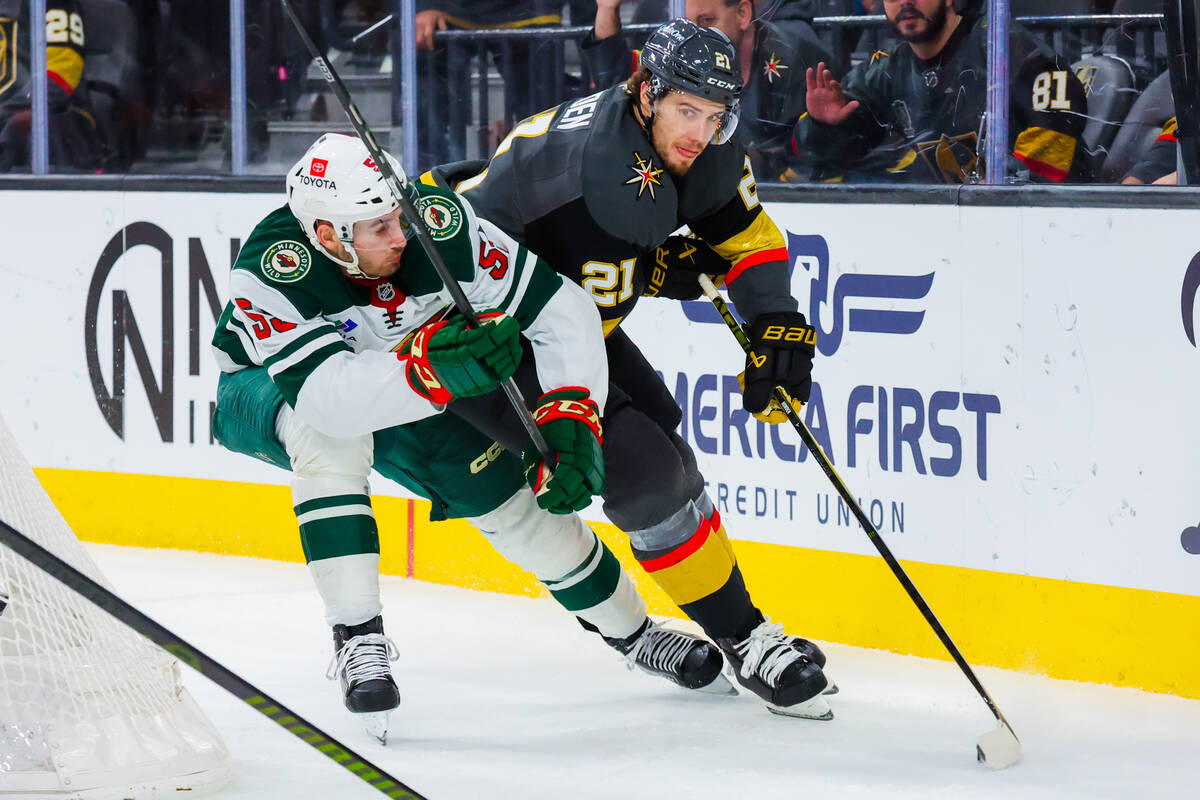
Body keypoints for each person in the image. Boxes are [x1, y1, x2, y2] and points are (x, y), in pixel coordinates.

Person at [210, 133, 729, 741]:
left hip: (406, 377)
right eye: (377, 228)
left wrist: (572, 412)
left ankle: (636, 635)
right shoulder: (273, 271)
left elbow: (560, 310)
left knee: (517, 511)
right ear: (328, 236)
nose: (400, 235)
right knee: (325, 438)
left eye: (397, 214)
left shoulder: (439, 225)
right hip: (268, 388)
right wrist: (430, 370)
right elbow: (328, 397)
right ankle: (357, 634)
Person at [427, 18, 834, 719]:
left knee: (667, 446)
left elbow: (749, 240)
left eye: (713, 116)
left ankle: (733, 623)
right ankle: (744, 635)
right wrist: (647, 265)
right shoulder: (570, 159)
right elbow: (474, 265)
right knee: (642, 470)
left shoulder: (693, 145)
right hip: (500, 337)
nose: (698, 133)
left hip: (576, 322)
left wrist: (773, 319)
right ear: (645, 90)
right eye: (685, 111)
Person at [794, 0, 1095, 183]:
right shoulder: (885, 69)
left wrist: (1003, 187)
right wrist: (826, 126)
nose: (906, 2)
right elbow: (824, 160)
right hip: (951, 231)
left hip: (1050, 228)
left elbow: (1058, 124)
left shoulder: (1003, 45)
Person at [582, 0, 835, 180]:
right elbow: (619, 79)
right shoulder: (688, 53)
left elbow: (820, 157)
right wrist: (607, 9)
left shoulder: (792, 58)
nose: (697, 35)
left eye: (707, 21)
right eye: (691, 23)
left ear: (743, 14)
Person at [0, 0, 103, 172]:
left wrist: (8, 117)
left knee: (28, 122)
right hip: (8, 121)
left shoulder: (50, 3)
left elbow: (59, 76)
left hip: (58, 131)